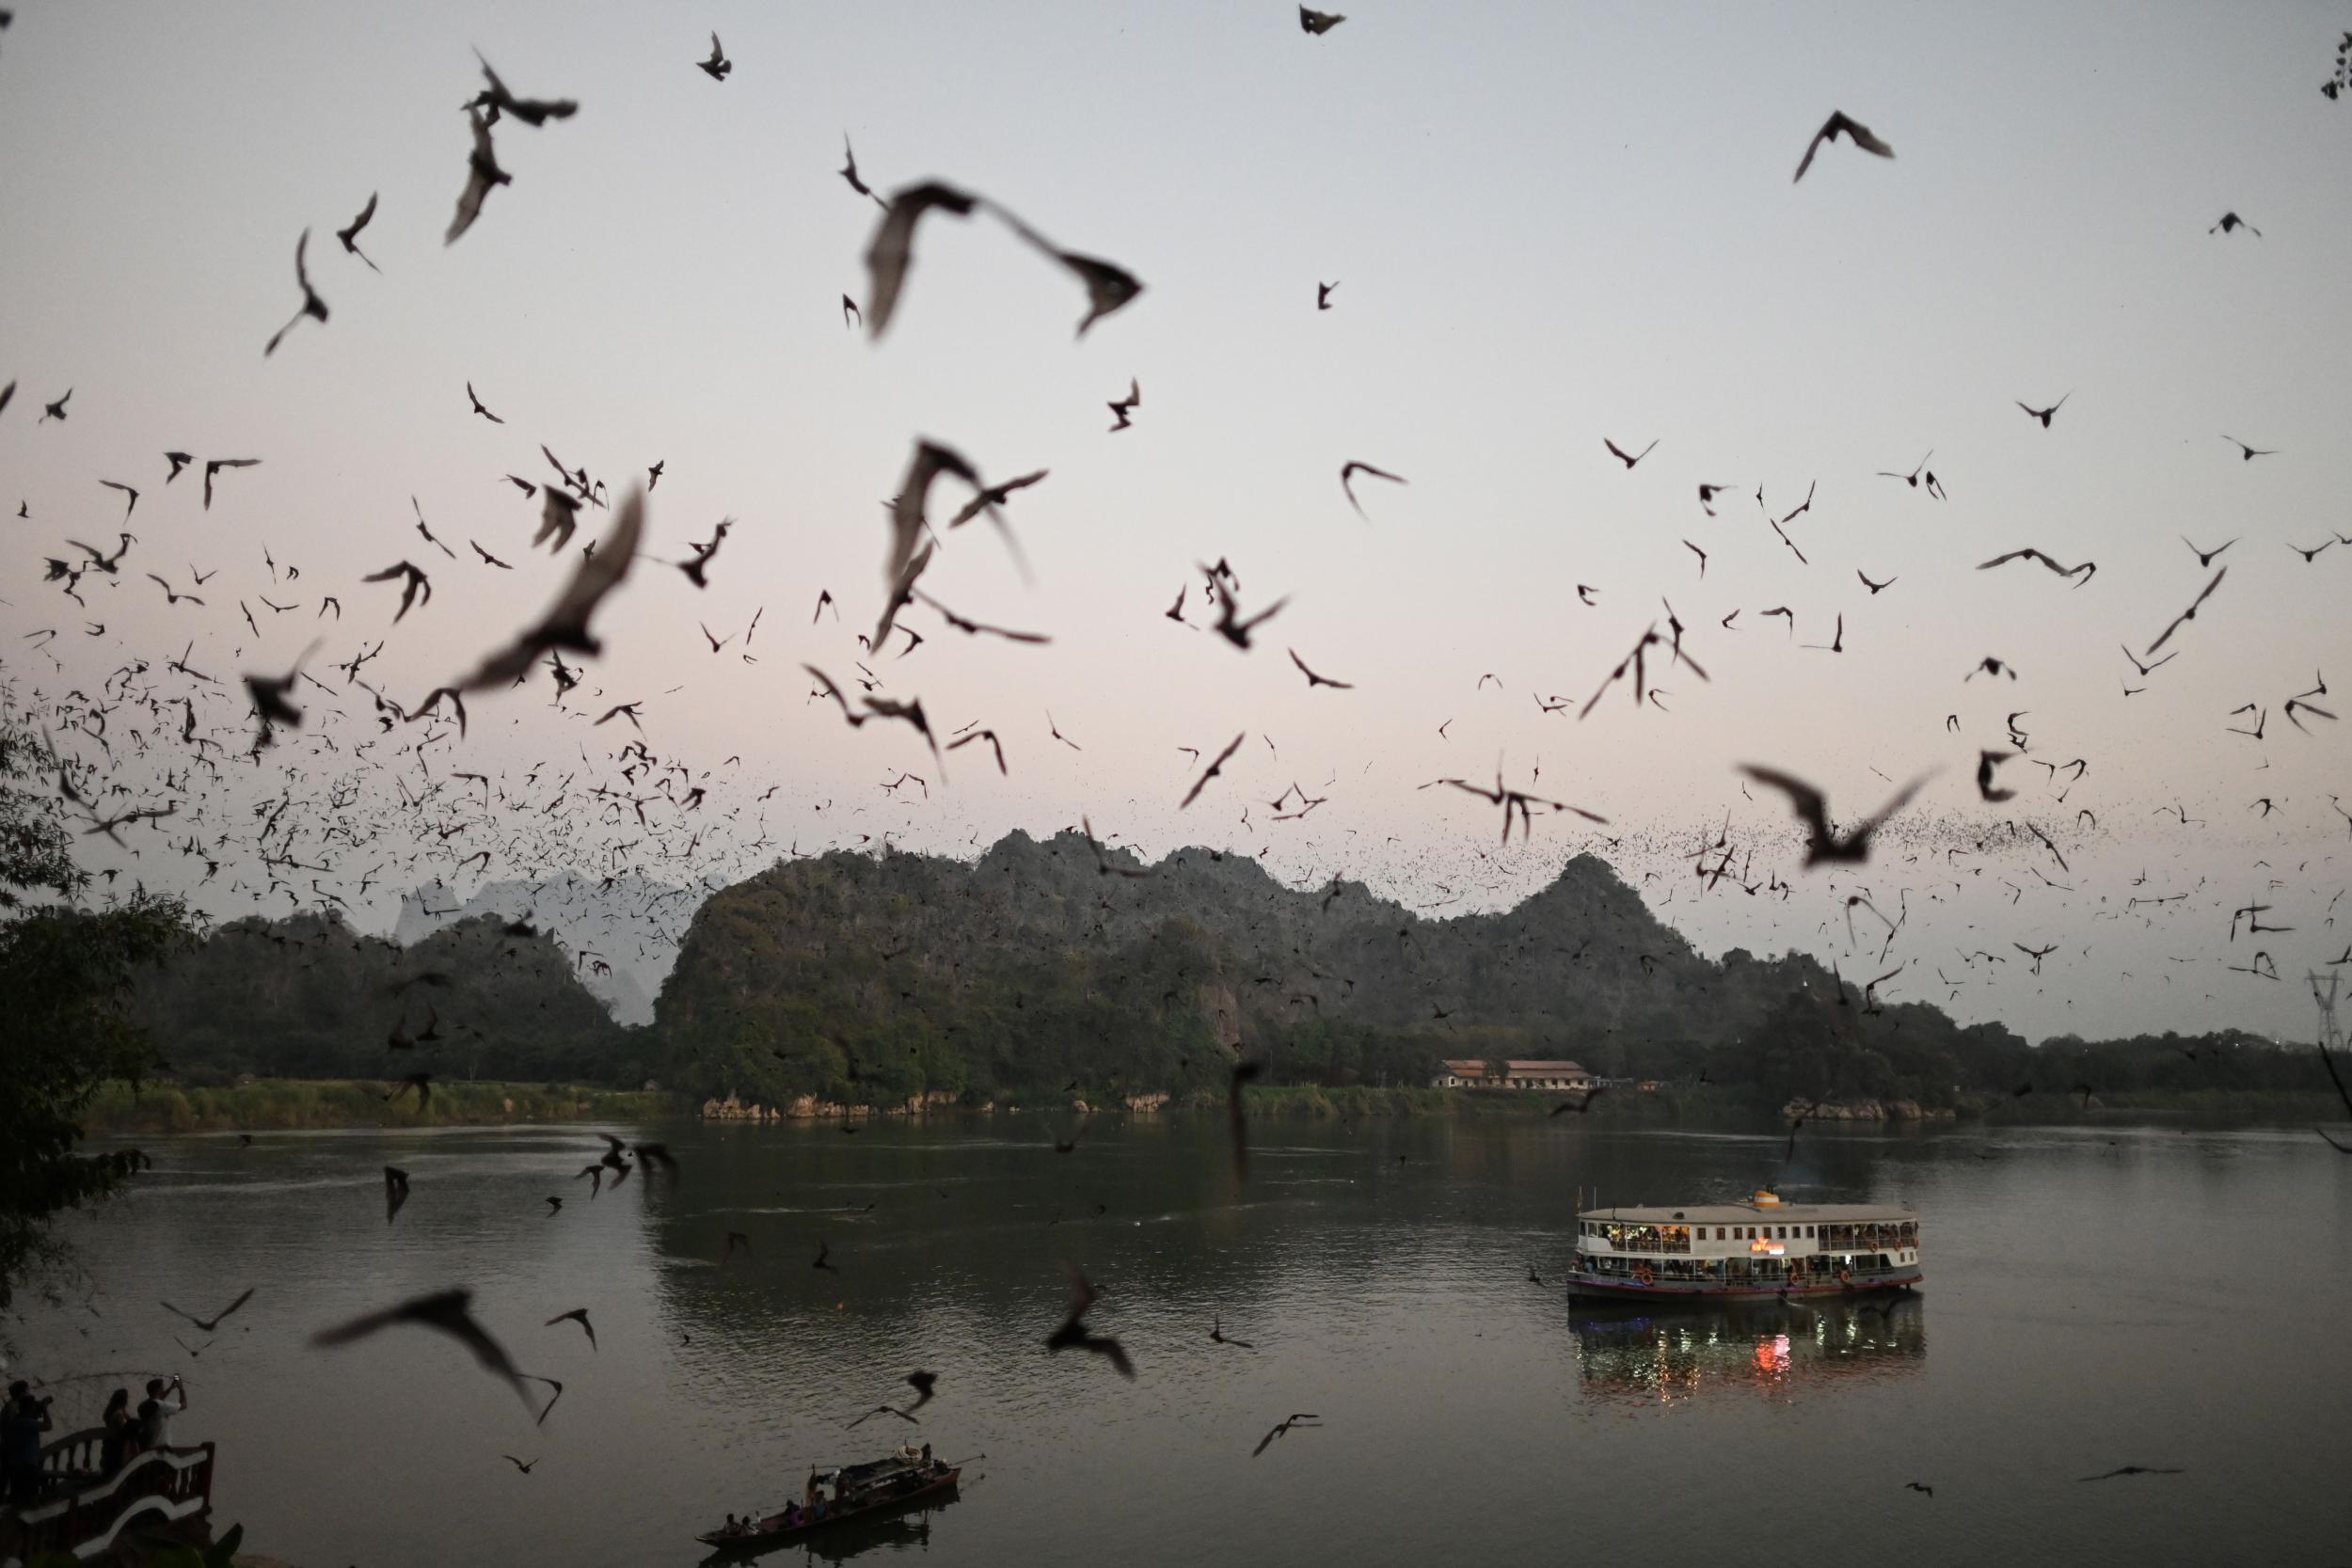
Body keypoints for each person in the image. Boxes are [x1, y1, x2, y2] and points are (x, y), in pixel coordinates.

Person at [3, 1383, 55, 1506]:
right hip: (26, 1464)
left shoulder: (16, 1416)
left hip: (15, 1462)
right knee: (30, 1497)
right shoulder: (19, 1416)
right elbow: (48, 1426)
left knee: (17, 1495)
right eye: (27, 1391)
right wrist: (44, 1409)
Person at [142, 1376, 186, 1449]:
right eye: (162, 1387)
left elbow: (157, 1399)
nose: (163, 1389)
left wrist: (171, 1388)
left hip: (148, 1446)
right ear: (159, 1390)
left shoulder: (144, 1405)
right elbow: (184, 1405)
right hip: (161, 1446)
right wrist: (181, 1388)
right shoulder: (162, 1406)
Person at [100, 1389, 135, 1475]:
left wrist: (125, 1413)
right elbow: (124, 1430)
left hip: (109, 1447)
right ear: (124, 1400)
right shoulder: (118, 1414)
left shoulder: (112, 1412)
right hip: (116, 1451)